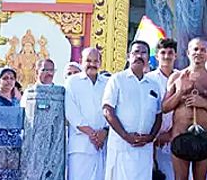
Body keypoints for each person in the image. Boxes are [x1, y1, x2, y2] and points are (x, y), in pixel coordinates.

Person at [163, 38, 207, 180]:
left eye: (203, 50)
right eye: (195, 49)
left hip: (204, 137)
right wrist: (180, 92)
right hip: (180, 136)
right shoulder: (177, 77)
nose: (199, 53)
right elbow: (165, 107)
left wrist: (204, 104)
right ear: (188, 53)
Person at [103, 41, 163, 180]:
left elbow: (158, 115)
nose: (139, 56)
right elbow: (107, 110)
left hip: (144, 148)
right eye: (136, 52)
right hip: (122, 146)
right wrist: (125, 135)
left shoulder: (153, 85)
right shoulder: (117, 80)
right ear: (128, 56)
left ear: (148, 58)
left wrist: (150, 137)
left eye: (143, 53)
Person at [65, 48, 108, 180]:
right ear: (81, 61)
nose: (92, 64)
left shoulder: (107, 83)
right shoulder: (72, 82)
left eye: (96, 61)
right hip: (80, 146)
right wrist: (93, 134)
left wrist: (105, 132)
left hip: (102, 145)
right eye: (88, 61)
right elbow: (71, 113)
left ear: (100, 63)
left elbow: (112, 109)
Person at [148, 38, 179, 180]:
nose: (167, 56)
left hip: (176, 137)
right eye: (163, 52)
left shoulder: (182, 78)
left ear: (176, 55)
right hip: (152, 140)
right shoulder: (148, 80)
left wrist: (172, 133)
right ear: (157, 55)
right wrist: (155, 136)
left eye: (170, 53)